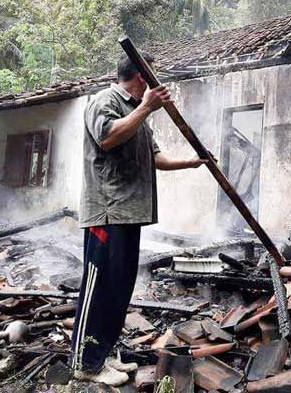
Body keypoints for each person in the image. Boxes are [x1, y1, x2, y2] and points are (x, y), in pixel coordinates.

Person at [72, 52, 208, 386]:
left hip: (130, 214)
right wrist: (146, 106)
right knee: (99, 288)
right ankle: (84, 362)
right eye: (153, 74)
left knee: (119, 289)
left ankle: (102, 355)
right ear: (142, 76)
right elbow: (106, 137)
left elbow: (156, 158)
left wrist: (191, 163)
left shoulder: (137, 115)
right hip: (108, 212)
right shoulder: (105, 101)